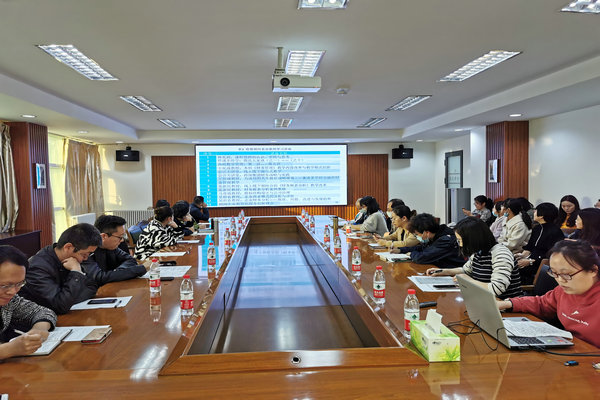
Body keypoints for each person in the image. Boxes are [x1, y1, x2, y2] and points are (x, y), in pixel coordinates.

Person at [497, 240, 600, 348]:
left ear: (593, 270)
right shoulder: (563, 291)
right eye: (554, 273)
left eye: (566, 274)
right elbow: (541, 303)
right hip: (572, 349)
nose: (560, 280)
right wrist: (508, 303)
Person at [426, 217, 521, 299]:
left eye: (460, 240)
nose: (460, 245)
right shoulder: (479, 252)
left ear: (473, 239)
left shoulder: (500, 254)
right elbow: (465, 270)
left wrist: (468, 281)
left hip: (504, 305)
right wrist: (443, 271)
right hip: (483, 299)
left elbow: (497, 288)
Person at [19, 223, 102, 315]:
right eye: (84, 254)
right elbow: (60, 306)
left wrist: (69, 298)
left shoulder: (72, 259)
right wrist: (76, 272)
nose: (86, 259)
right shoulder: (37, 268)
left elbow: (92, 287)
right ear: (68, 247)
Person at [0, 245, 57, 360]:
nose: (13, 291)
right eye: (5, 285)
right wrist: (9, 349)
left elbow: (43, 311)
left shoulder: (10, 300)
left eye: (19, 284)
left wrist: (39, 328)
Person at [81, 215, 148, 285]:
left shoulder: (111, 247)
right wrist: (141, 269)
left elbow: (130, 260)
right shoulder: (86, 250)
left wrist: (117, 272)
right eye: (120, 237)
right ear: (104, 236)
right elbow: (99, 278)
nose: (122, 240)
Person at [515, 202, 564, 284]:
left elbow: (552, 254)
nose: (534, 212)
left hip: (541, 264)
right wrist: (521, 256)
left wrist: (531, 261)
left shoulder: (555, 231)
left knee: (513, 271)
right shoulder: (537, 228)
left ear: (541, 215)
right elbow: (529, 247)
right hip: (531, 260)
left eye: (536, 211)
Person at [395, 213, 465, 268]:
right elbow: (422, 248)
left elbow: (422, 258)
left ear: (427, 233)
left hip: (452, 274)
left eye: (417, 234)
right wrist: (401, 250)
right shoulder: (435, 235)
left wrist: (411, 254)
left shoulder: (445, 240)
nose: (417, 237)